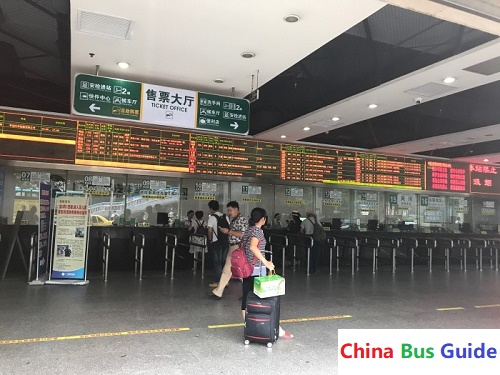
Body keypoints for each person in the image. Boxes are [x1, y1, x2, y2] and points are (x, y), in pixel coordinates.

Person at [240, 207, 293, 339]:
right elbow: (253, 247)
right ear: (263, 219)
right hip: (256, 270)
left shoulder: (248, 230)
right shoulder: (258, 231)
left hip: (247, 269)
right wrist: (266, 262)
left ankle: (249, 327)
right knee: (266, 299)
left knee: (246, 298)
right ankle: (275, 330)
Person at [210, 201, 248, 299]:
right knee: (227, 270)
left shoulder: (242, 219)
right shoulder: (233, 219)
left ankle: (247, 293)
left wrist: (229, 232)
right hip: (232, 247)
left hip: (239, 247)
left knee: (241, 271)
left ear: (236, 209)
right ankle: (218, 292)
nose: (229, 212)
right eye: (228, 210)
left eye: (230, 210)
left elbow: (243, 234)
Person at [206, 201, 228, 288]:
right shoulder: (225, 216)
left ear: (211, 208)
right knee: (223, 262)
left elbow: (209, 230)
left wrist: (210, 240)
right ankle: (225, 281)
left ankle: (219, 281)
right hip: (225, 242)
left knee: (217, 262)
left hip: (216, 242)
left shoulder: (212, 217)